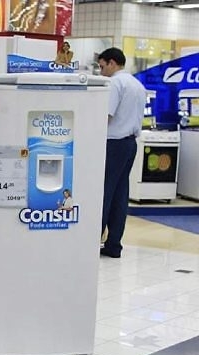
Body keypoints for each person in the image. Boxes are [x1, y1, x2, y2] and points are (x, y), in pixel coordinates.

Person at [97, 47, 145, 258]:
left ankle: (93, 241)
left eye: (102, 67)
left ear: (112, 63)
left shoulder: (115, 83)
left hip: (113, 144)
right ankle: (114, 245)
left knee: (104, 192)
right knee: (120, 194)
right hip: (130, 144)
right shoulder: (137, 85)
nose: (101, 72)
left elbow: (106, 116)